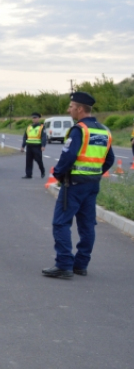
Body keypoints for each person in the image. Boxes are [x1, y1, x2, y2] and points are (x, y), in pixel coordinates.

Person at [42, 92, 114, 278]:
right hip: (92, 184)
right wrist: (95, 172)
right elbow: (110, 159)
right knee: (87, 225)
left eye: (71, 106)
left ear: (80, 109)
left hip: (73, 185)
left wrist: (58, 174)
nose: (69, 109)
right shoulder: (104, 131)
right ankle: (80, 265)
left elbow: (68, 156)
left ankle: (64, 265)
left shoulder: (79, 130)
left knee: (61, 223)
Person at [21, 112, 46, 179]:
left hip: (37, 147)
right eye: (33, 118)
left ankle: (42, 171)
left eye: (35, 118)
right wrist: (23, 146)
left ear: (38, 119)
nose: (34, 119)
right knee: (28, 161)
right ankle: (28, 174)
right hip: (29, 146)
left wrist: (43, 145)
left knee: (39, 160)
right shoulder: (29, 127)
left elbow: (43, 137)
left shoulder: (41, 127)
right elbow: (25, 137)